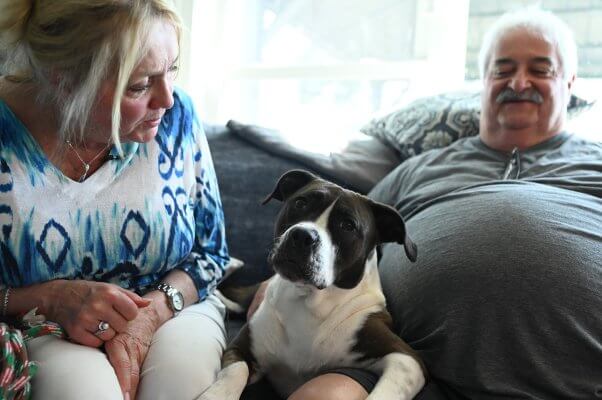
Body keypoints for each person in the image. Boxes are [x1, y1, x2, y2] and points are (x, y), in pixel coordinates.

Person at [247, 6, 602, 400]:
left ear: (570, 82)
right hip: (411, 369)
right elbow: (345, 236)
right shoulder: (418, 168)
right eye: (502, 70)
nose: (518, 82)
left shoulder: (596, 161)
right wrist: (275, 280)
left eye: (540, 69)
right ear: (483, 81)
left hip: (580, 375)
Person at [0, 1, 230, 399]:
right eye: (140, 85)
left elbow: (212, 254)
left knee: (181, 390)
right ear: (64, 81)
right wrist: (49, 298)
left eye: (172, 68)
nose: (168, 99)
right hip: (45, 324)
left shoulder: (177, 120)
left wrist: (153, 312)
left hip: (173, 306)